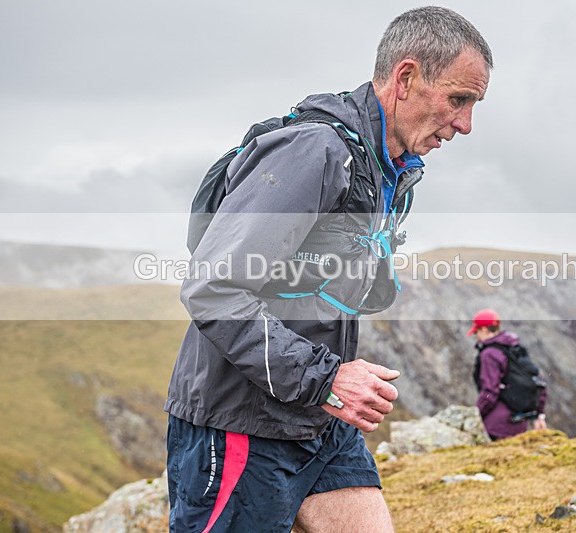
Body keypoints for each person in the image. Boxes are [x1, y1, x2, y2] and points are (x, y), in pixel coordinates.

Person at [165, 7, 492, 532]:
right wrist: (328, 376)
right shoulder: (314, 152)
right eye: (459, 99)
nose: (466, 124)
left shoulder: (384, 167)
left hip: (318, 419)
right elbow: (213, 288)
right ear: (406, 78)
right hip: (241, 425)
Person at [468, 308, 548, 441]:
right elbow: (537, 381)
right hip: (518, 422)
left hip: (496, 425)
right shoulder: (513, 347)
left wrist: (474, 414)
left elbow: (490, 391)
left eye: (476, 331)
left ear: (484, 330)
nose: (476, 336)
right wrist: (539, 415)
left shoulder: (489, 355)